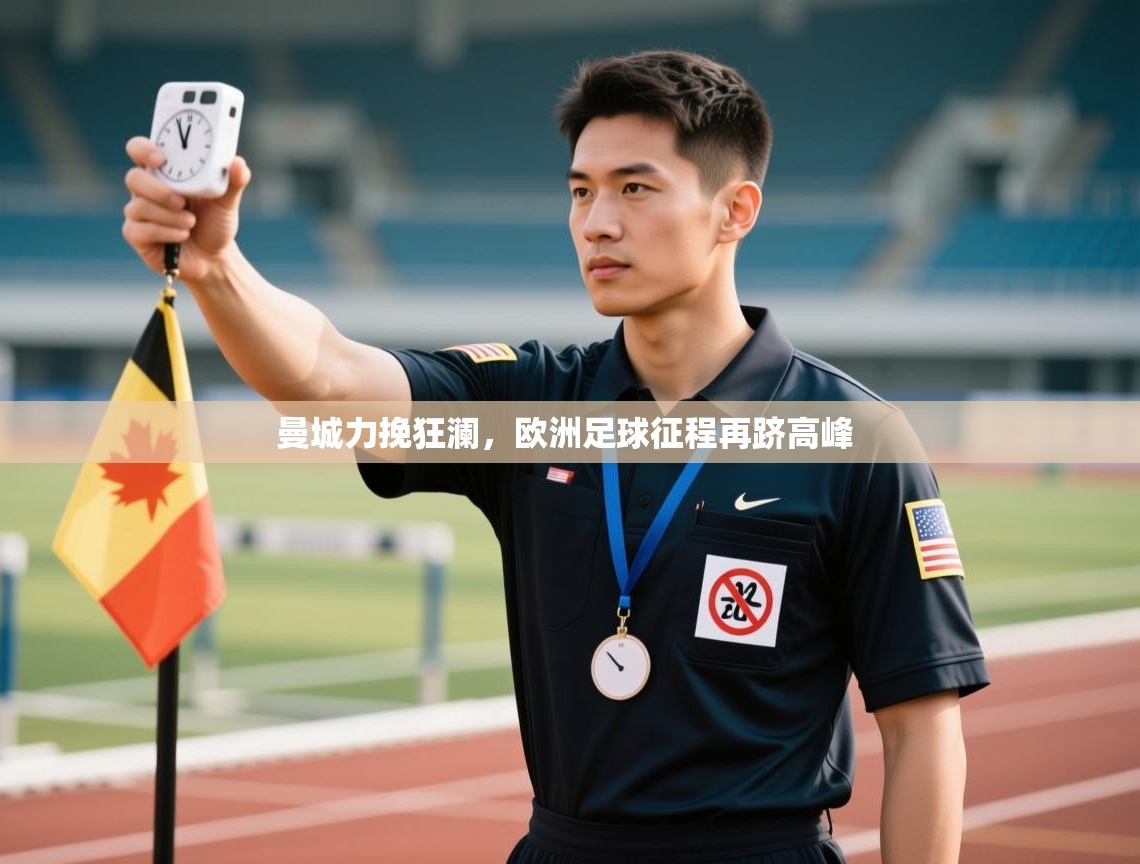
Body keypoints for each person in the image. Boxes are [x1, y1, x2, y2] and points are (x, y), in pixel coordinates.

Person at [123, 49, 989, 863]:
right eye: (581, 192)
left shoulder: (857, 438)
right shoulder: (534, 403)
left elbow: (921, 726)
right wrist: (216, 266)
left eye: (635, 188)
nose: (597, 223)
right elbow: (329, 374)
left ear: (735, 211)